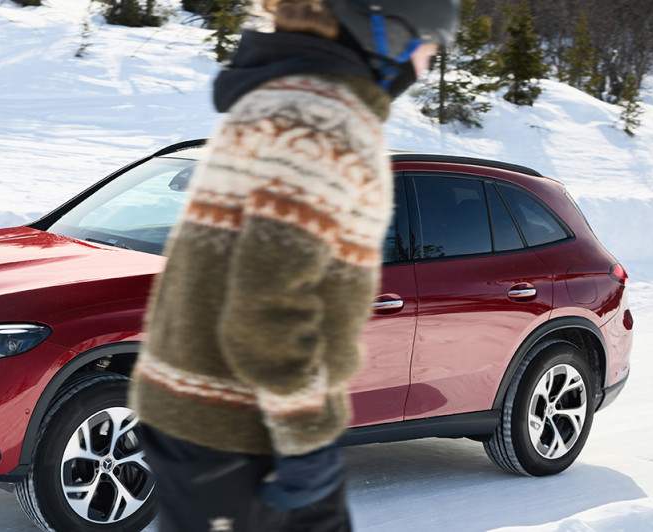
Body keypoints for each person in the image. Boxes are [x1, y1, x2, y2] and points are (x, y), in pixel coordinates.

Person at [129, 1, 459, 530]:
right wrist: (305, 438)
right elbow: (268, 300)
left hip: (188, 407)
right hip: (241, 425)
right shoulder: (329, 124)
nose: (427, 62)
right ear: (383, 31)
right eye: (426, 44)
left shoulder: (271, 100)